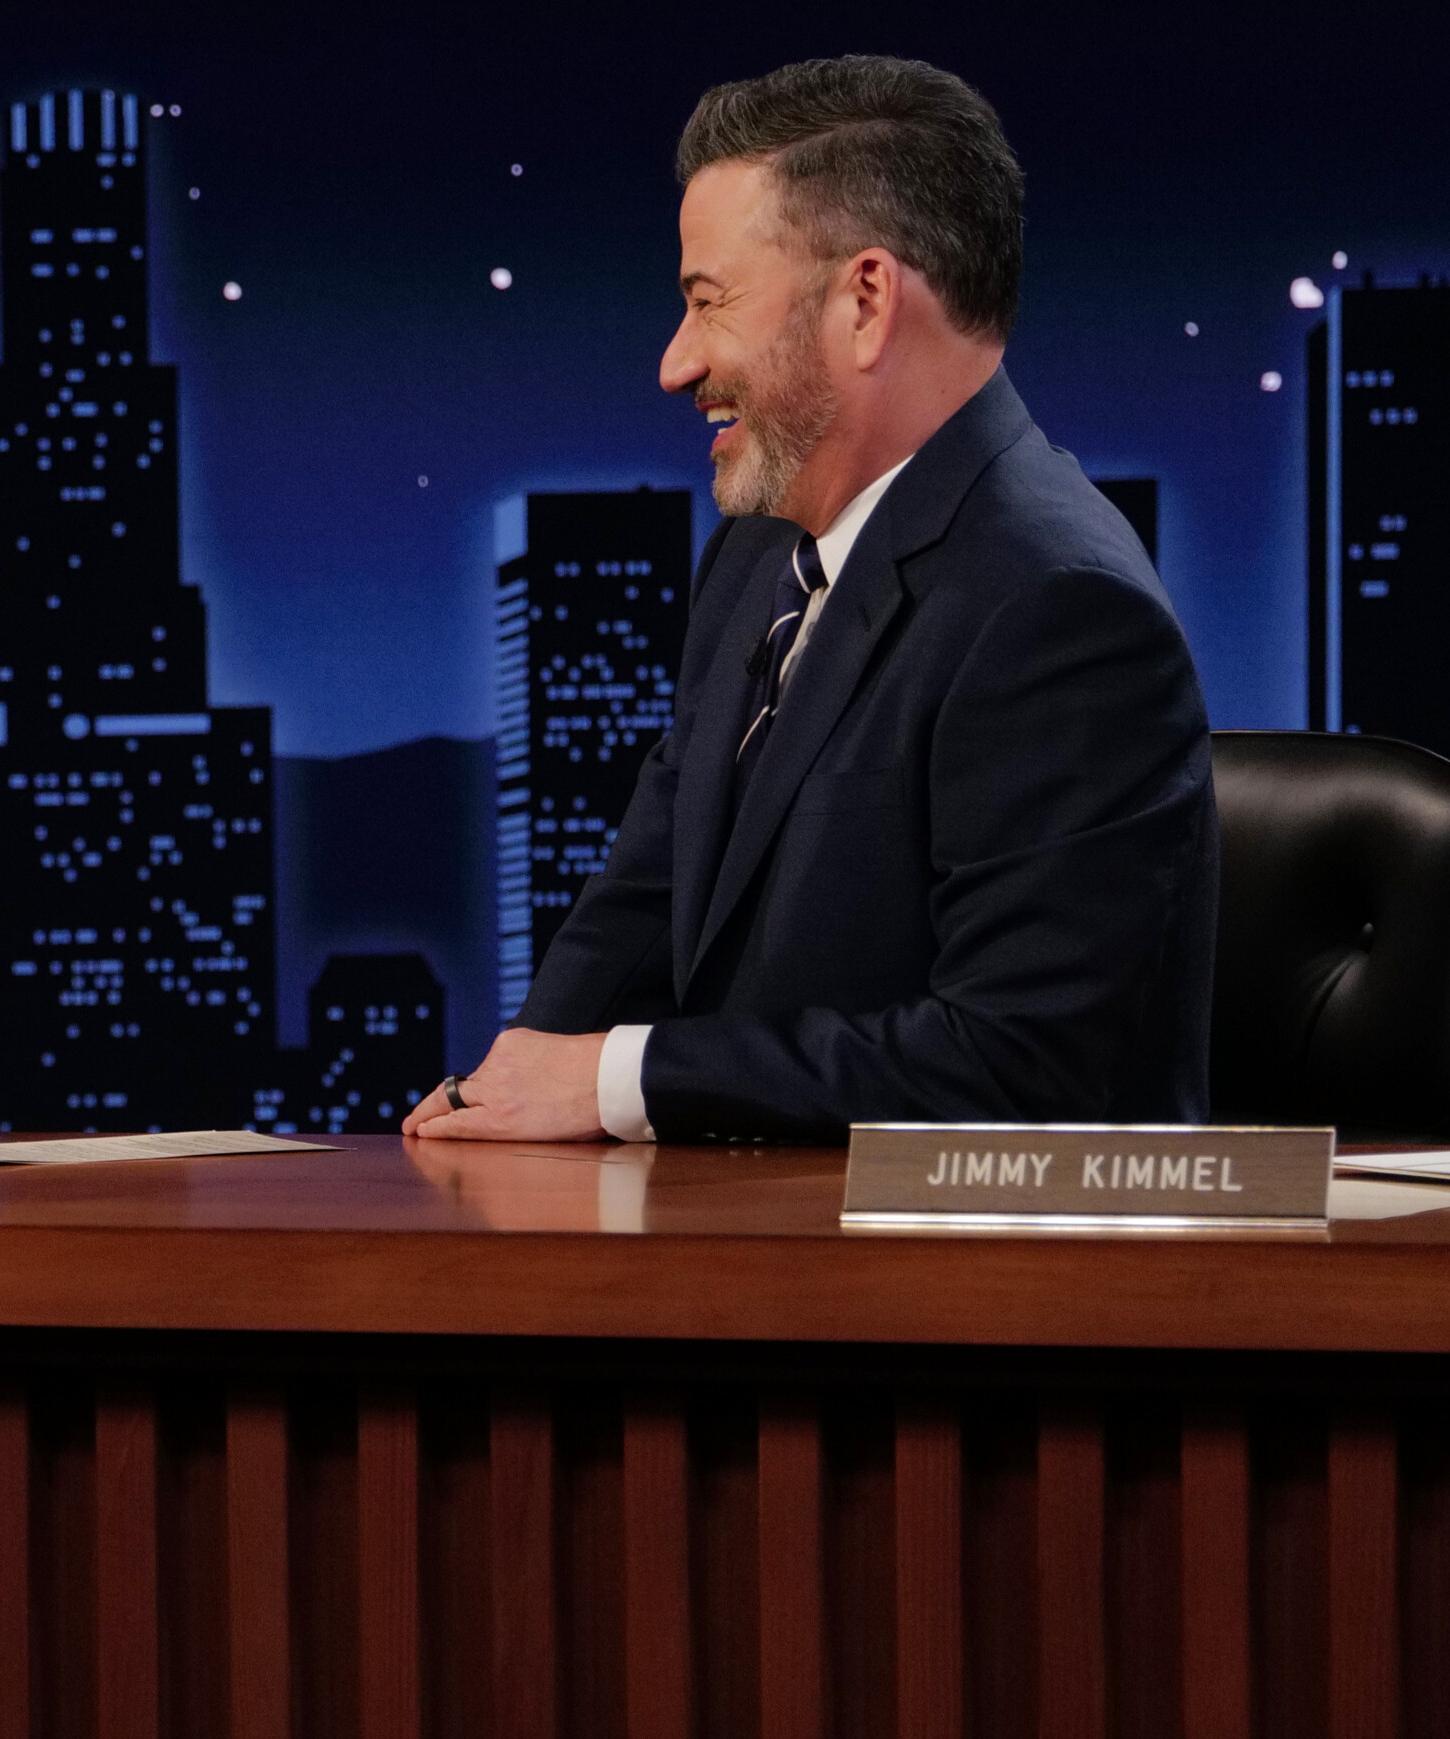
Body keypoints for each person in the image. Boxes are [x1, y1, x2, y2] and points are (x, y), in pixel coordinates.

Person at [408, 55, 1215, 1145]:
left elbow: (1020, 1066)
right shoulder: (755, 556)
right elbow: (649, 896)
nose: (675, 363)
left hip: (951, 1254)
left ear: (865, 301)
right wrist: (500, 1093)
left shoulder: (1059, 606)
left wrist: (614, 1079)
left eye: (709, 302)